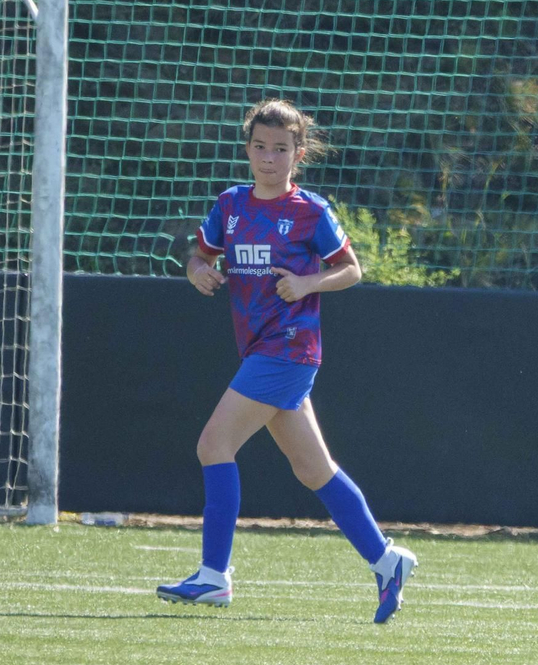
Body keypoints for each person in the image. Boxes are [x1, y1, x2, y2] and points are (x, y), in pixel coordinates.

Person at [155, 98, 417, 622]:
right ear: (247, 149)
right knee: (312, 468)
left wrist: (307, 282)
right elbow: (200, 256)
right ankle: (387, 560)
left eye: (280, 148)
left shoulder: (310, 212)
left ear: (299, 153)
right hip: (260, 349)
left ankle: (213, 576)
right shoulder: (230, 205)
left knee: (214, 443)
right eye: (259, 147)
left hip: (290, 348)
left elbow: (351, 270)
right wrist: (197, 272)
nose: (268, 158)